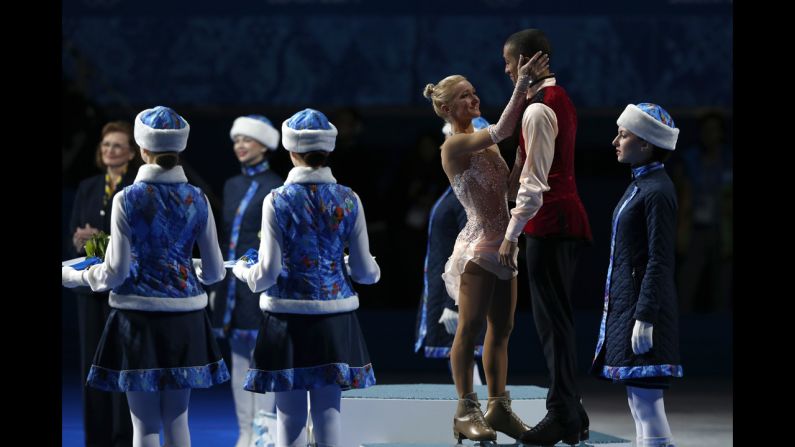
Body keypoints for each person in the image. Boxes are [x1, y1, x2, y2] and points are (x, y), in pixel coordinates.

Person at [62, 106, 231, 447]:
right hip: (186, 319)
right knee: (178, 420)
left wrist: (73, 276)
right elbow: (213, 272)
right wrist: (185, 267)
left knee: (144, 426)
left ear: (142, 149)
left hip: (137, 320)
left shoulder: (128, 198)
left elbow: (116, 272)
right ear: (179, 149)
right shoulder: (197, 198)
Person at [232, 108, 381, 447]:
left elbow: (266, 274)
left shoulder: (277, 200)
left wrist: (243, 270)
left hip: (288, 319)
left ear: (291, 150)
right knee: (329, 417)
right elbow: (364, 272)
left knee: (290, 419)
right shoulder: (349, 198)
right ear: (327, 150)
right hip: (335, 318)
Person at [423, 50, 547, 442]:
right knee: (470, 327)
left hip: (504, 244)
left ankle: (498, 407)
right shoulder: (455, 146)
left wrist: (524, 162)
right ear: (445, 108)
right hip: (478, 248)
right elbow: (502, 130)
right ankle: (464, 408)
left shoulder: (483, 136)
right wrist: (522, 86)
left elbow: (506, 192)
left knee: (503, 328)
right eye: (464, 96)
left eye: (474, 92)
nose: (473, 99)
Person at [496, 28, 593, 446]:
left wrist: (510, 235)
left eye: (507, 61)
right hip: (561, 222)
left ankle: (562, 414)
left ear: (524, 62)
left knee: (553, 324)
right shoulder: (553, 100)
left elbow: (534, 186)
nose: (504, 69)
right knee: (557, 322)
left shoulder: (539, 111)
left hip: (550, 223)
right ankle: (572, 413)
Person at [590, 102, 683, 447]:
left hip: (645, 311)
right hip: (630, 308)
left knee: (647, 404)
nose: (615, 140)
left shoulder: (658, 190)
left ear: (645, 143)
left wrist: (644, 316)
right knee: (639, 404)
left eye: (623, 134)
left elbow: (660, 259)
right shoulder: (640, 185)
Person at [68, 120, 141, 447]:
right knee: (92, 366)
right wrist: (80, 239)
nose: (108, 150)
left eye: (116, 145)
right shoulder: (87, 186)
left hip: (122, 289)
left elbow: (138, 239)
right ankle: (95, 439)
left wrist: (104, 238)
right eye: (105, 144)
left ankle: (123, 437)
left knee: (123, 365)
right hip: (89, 289)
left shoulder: (136, 189)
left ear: (131, 153)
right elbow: (74, 236)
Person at [215, 115, 284, 447]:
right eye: (236, 140)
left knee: (265, 360)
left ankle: (264, 434)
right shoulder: (230, 185)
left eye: (247, 139)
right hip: (231, 287)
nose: (240, 145)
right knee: (239, 361)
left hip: (260, 283)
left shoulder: (276, 184)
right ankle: (244, 433)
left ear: (265, 144)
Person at [413, 118, 491, 385]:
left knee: (464, 356)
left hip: (459, 294)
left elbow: (470, 251)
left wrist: (454, 303)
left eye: (450, 138)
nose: (443, 145)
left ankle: (477, 416)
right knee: (460, 358)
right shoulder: (461, 184)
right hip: (452, 288)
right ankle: (475, 414)